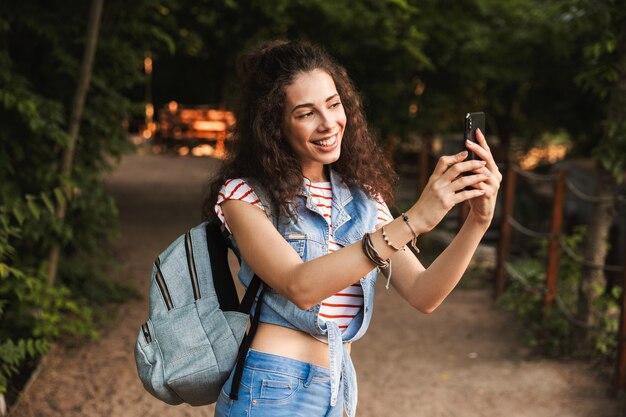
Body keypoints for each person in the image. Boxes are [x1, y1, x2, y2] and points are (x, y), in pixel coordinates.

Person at [203, 39, 501, 417]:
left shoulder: (363, 200)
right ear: (274, 124)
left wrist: (478, 220)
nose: (328, 123)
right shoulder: (244, 195)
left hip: (339, 388)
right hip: (273, 387)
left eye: (333, 104)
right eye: (306, 113)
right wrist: (414, 220)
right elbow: (301, 286)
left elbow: (425, 294)